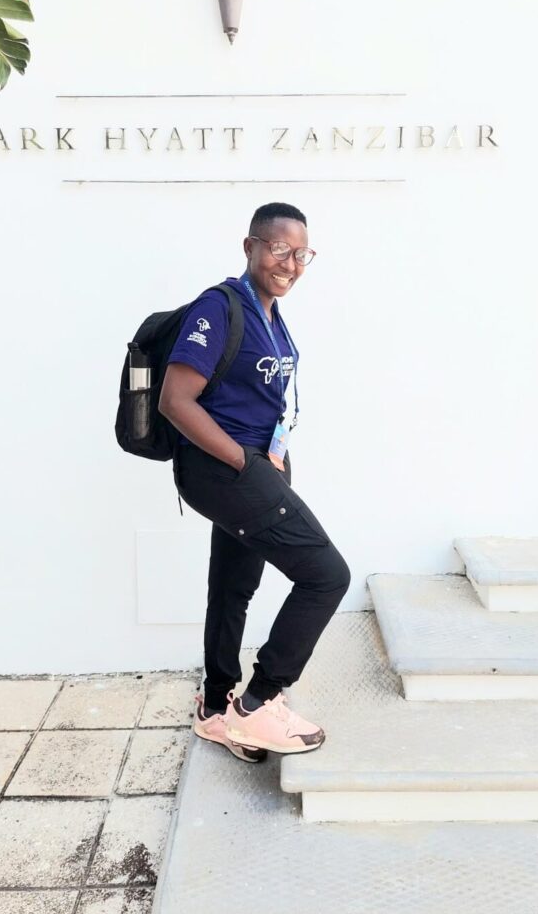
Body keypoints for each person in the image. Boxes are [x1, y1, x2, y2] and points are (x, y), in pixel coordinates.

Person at [159, 202, 350, 761]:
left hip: (251, 467)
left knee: (233, 585)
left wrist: (270, 457)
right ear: (250, 247)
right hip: (222, 469)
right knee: (326, 576)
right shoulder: (218, 308)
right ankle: (259, 702)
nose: (290, 263)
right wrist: (245, 464)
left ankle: (217, 706)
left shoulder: (271, 314)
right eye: (279, 249)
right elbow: (176, 401)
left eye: (302, 254)